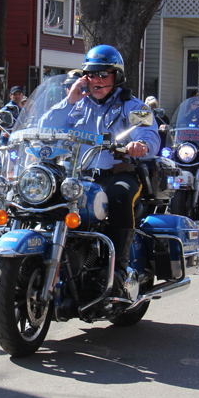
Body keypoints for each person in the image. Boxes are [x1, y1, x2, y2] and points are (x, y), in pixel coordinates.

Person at [43, 45, 160, 291]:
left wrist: (140, 146)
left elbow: (150, 136)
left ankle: (119, 269)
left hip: (117, 175)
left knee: (120, 195)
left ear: (117, 76)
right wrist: (70, 99)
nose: (96, 80)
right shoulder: (76, 105)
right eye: (91, 74)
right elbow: (45, 129)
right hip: (78, 178)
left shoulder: (134, 106)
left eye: (103, 74)